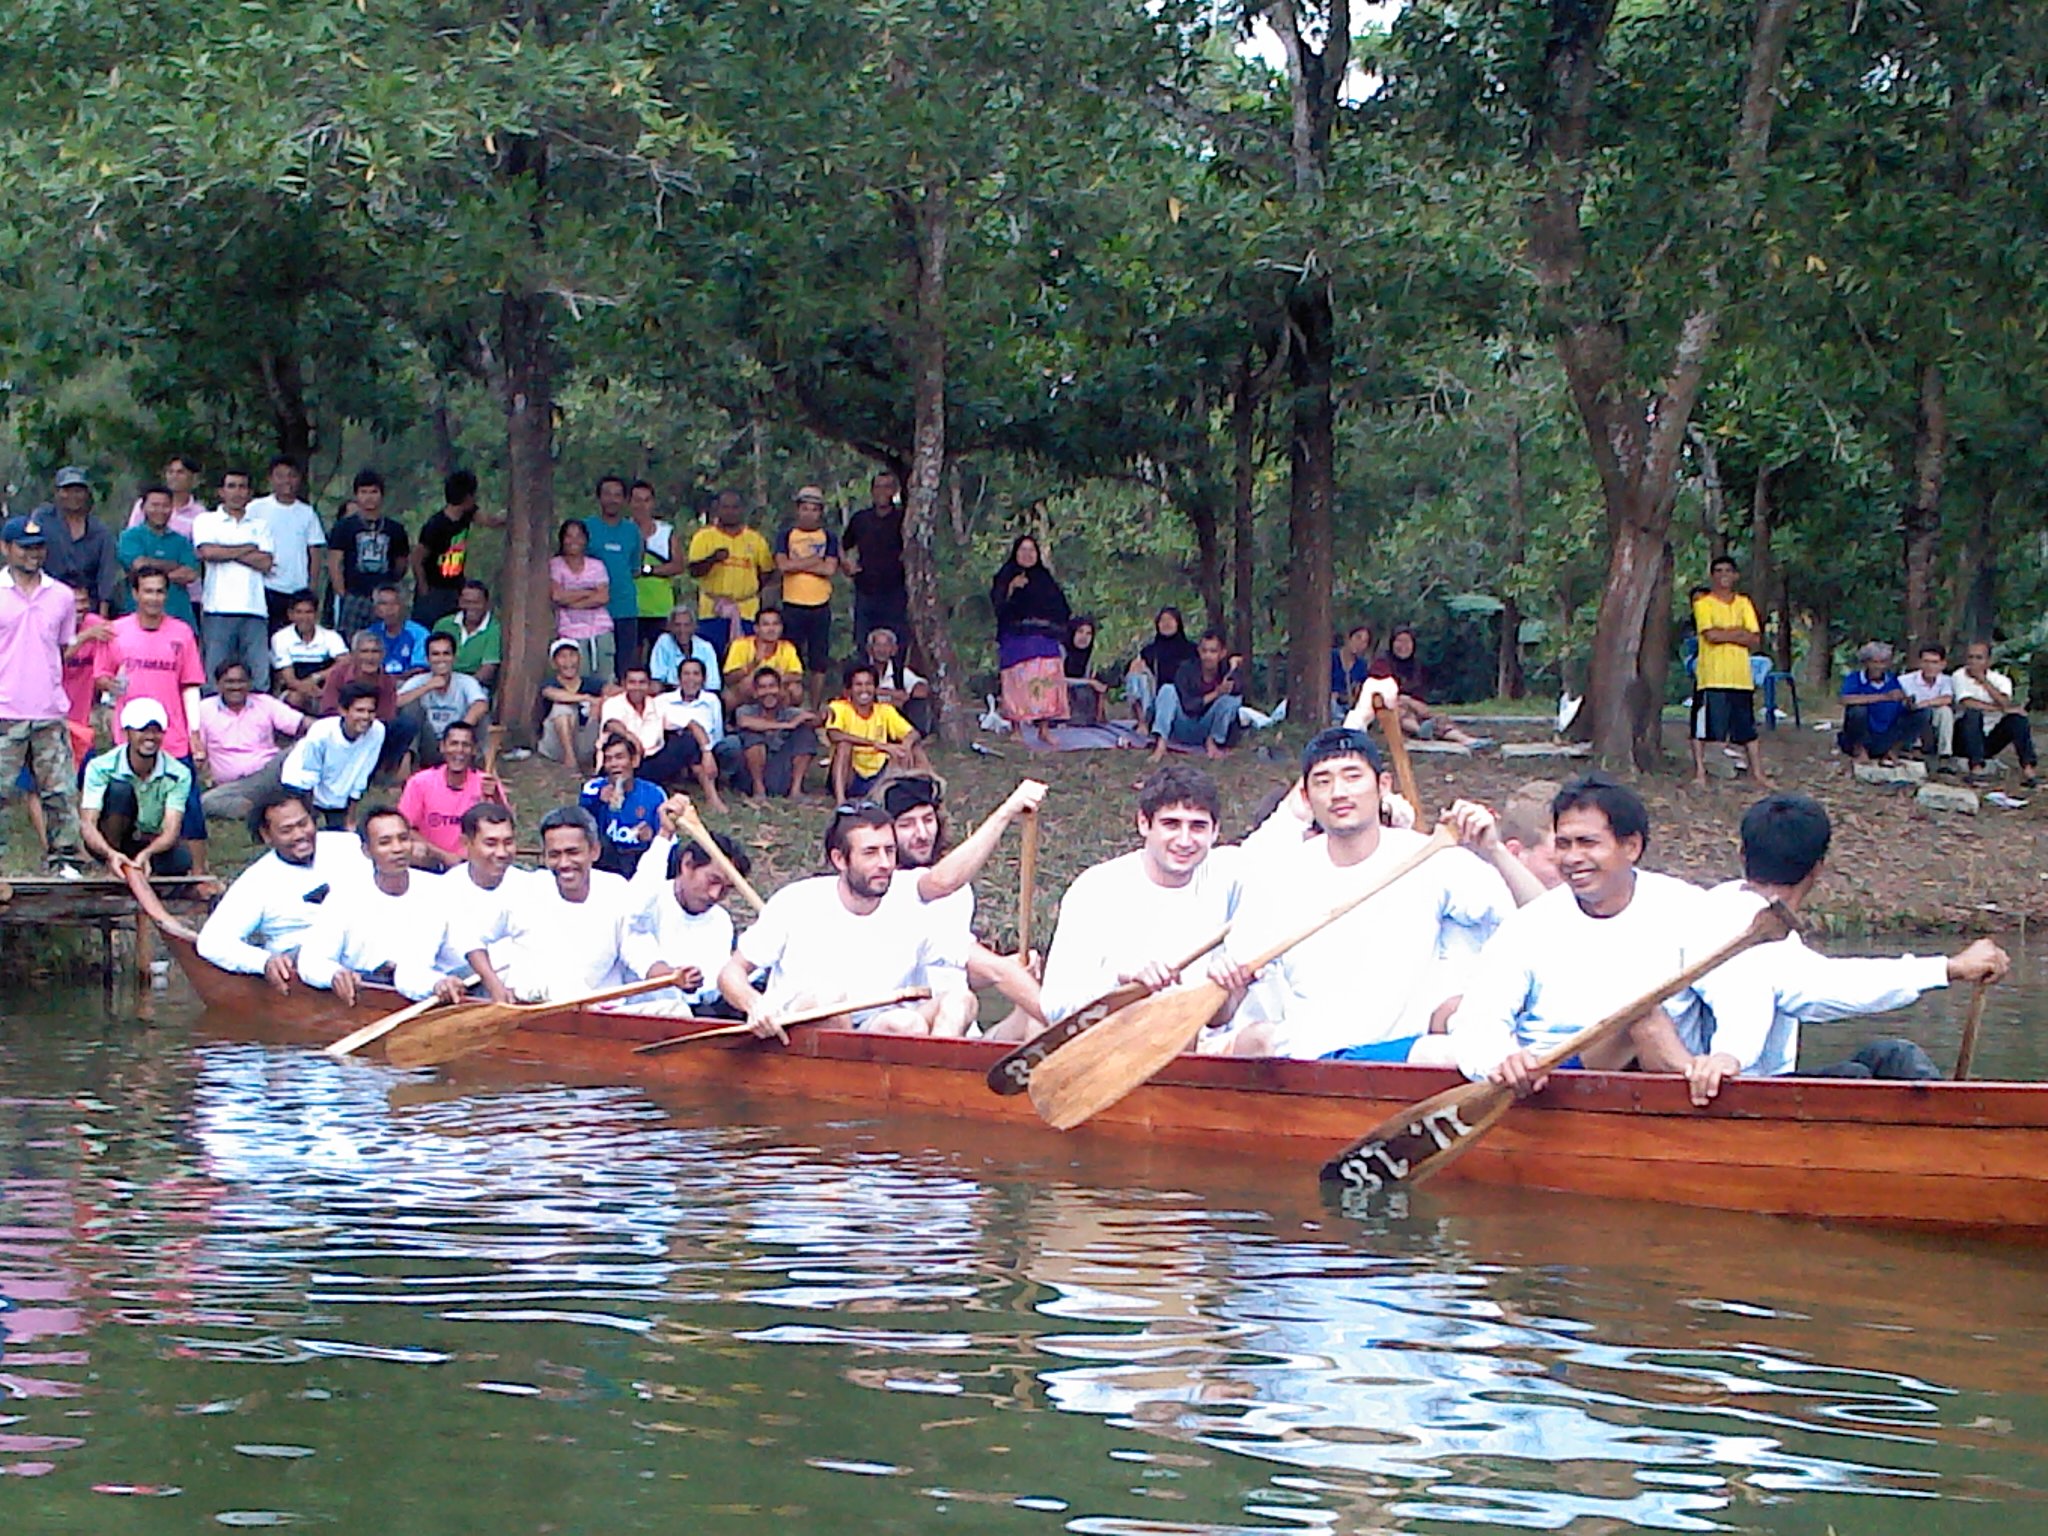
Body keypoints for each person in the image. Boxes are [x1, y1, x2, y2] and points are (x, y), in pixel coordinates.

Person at [1446, 773, 1774, 1102]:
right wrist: (1503, 1061)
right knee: (1641, 1018)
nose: (1572, 858)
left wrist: (1726, 1056)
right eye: (1563, 844)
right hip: (1548, 1094)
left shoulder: (1687, 909)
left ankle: (1700, 1094)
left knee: (1645, 1019)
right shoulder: (1528, 925)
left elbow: (1742, 995)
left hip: (1660, 1092)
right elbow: (1479, 1018)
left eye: (1588, 843)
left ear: (1631, 846)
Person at [1679, 794, 2010, 1096]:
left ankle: (1951, 1138)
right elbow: (1802, 990)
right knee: (1853, 1078)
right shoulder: (1742, 927)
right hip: (1734, 1094)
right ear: (1818, 869)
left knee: (1894, 1056)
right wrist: (1949, 968)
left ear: (1742, 854)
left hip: (1758, 1085)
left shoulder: (1736, 911)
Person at [1221, 729, 1515, 1062]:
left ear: (1384, 786)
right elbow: (1224, 1011)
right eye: (1323, 781)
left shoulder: (1432, 858)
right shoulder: (1277, 878)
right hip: (1312, 1061)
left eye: (1353, 777)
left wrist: (1495, 850)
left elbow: (1537, 923)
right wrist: (1227, 989)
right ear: (1305, 797)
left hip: (1405, 1060)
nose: (1339, 793)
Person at [718, 803, 975, 1038]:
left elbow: (958, 970)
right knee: (829, 996)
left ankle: (934, 1079)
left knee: (958, 1001)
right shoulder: (796, 901)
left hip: (873, 1030)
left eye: (890, 851)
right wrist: (755, 1005)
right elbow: (731, 973)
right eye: (871, 853)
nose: (885, 864)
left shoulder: (914, 906)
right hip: (800, 1033)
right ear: (840, 859)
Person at [1039, 764, 1243, 1027]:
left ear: (1215, 832)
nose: (1184, 840)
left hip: (1195, 1044)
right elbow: (1054, 1006)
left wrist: (1225, 989)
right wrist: (1121, 985)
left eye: (1197, 827)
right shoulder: (1097, 889)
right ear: (1144, 824)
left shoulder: (1232, 878)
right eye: (1171, 824)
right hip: (1114, 1041)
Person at [883, 775, 1048, 1039]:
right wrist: (1006, 811)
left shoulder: (960, 893)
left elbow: (957, 971)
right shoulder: (886, 890)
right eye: (906, 825)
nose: (922, 834)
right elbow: (941, 881)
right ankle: (1073, 1026)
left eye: (927, 820)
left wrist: (1016, 968)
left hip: (968, 1032)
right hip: (912, 1033)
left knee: (1030, 1016)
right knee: (1007, 991)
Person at [196, 787, 368, 990]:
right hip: (302, 961)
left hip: (365, 947)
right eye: (287, 830)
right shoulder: (257, 881)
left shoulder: (348, 846)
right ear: (267, 835)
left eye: (303, 824)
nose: (299, 835)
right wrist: (265, 962)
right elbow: (212, 941)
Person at [295, 806, 465, 1005]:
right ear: (367, 851)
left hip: (426, 992)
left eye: (403, 839)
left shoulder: (437, 890)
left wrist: (441, 983)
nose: (397, 848)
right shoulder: (345, 897)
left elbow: (450, 958)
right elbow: (311, 961)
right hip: (364, 995)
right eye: (385, 842)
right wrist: (335, 974)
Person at [465, 806, 634, 1004]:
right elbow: (472, 938)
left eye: (573, 852)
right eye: (554, 855)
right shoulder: (525, 890)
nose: (564, 863)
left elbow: (638, 950)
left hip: (601, 1014)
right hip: (528, 1011)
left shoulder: (616, 890)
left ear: (594, 851)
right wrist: (495, 986)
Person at [0, 513, 87, 875]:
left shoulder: (62, 596)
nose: (33, 554)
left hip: (49, 708)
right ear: (6, 549)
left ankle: (66, 860)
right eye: (24, 547)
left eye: (38, 548)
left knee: (60, 791)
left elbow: (63, 647)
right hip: (4, 708)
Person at [105, 570, 209, 872]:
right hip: (129, 735)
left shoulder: (182, 633)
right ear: (135, 594)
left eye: (160, 592)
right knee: (123, 804)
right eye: (147, 591)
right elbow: (103, 678)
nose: (154, 598)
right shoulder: (115, 631)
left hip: (172, 734)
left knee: (188, 804)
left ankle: (199, 874)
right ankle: (119, 867)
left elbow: (190, 684)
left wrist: (194, 731)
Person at [623, 823, 750, 1015]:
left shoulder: (721, 921)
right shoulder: (650, 903)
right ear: (687, 865)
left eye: (727, 888)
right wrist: (665, 835)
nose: (716, 894)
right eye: (712, 880)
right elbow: (633, 918)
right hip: (643, 1018)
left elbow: (710, 992)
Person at [422, 800, 536, 988]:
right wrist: (438, 984)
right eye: (490, 843)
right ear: (466, 843)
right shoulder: (442, 893)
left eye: (508, 842)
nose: (501, 852)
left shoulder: (528, 886)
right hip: (462, 991)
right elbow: (415, 966)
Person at [79, 698, 196, 876]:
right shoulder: (100, 767)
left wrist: (147, 854)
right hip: (111, 838)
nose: (150, 737)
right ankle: (111, 863)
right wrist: (111, 854)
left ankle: (142, 869)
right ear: (127, 733)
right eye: (142, 730)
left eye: (156, 731)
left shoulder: (178, 773)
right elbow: (88, 824)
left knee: (181, 859)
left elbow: (171, 829)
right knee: (120, 791)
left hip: (148, 840)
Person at [193, 467, 276, 690]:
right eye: (231, 486)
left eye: (242, 487)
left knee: (258, 675)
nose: (237, 492)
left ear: (249, 493)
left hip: (255, 609)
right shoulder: (206, 520)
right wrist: (248, 549)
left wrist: (226, 551)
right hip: (217, 608)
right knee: (214, 675)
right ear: (221, 491)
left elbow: (266, 563)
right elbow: (208, 553)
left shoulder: (260, 525)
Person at [1688, 556, 1768, 788]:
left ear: (1735, 575)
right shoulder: (1703, 604)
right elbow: (1710, 636)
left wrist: (1726, 633)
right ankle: (1700, 773)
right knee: (1703, 726)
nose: (1723, 575)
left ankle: (1758, 773)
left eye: (1728, 570)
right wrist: (1737, 633)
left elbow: (1754, 638)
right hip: (1712, 676)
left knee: (1746, 727)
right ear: (1712, 575)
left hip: (1740, 677)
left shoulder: (1744, 603)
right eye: (1718, 570)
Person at [193, 660, 307, 822]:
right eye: (230, 682)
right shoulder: (203, 710)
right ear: (218, 685)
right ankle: (266, 808)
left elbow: (300, 723)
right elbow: (196, 750)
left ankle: (270, 805)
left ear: (249, 683)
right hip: (234, 785)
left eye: (241, 681)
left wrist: (330, 728)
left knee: (302, 748)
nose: (236, 687)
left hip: (270, 773)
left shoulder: (265, 703)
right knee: (206, 802)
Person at [991, 535, 1071, 747]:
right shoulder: (1005, 576)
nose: (1027, 555)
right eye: (1023, 550)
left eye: (1031, 550)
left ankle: (1043, 729)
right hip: (1016, 637)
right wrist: (1011, 588)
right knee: (1017, 679)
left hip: (1043, 636)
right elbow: (998, 607)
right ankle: (1017, 727)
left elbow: (1062, 609)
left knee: (1045, 678)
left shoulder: (1045, 579)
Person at [397, 718, 504, 869]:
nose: (459, 750)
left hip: (472, 863)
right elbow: (403, 827)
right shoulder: (420, 782)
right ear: (442, 747)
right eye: (454, 743)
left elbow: (505, 827)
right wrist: (444, 856)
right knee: (415, 851)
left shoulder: (486, 783)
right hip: (432, 859)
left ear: (474, 750)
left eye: (465, 745)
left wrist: (496, 798)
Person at [281, 682, 386, 829]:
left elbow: (362, 774)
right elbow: (309, 774)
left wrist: (350, 819)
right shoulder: (321, 732)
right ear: (343, 710)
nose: (366, 717)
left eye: (370, 711)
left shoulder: (377, 731)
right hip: (300, 784)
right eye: (359, 710)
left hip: (336, 791)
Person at [774, 486, 840, 711]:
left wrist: (798, 565)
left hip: (819, 603)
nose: (809, 514)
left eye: (814, 510)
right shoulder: (786, 535)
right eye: (805, 509)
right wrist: (813, 562)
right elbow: (783, 565)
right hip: (792, 603)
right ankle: (792, 705)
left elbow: (830, 568)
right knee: (792, 656)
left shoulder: (829, 537)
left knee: (818, 660)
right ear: (797, 510)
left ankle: (813, 708)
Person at [687, 488, 775, 655]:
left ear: (742, 509)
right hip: (712, 611)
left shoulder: (755, 539)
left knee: (744, 660)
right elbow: (694, 570)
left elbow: (767, 572)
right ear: (717, 508)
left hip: (747, 612)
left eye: (735, 507)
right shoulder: (704, 536)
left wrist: (749, 590)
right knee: (712, 657)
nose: (730, 512)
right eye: (725, 507)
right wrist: (713, 559)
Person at [643, 657, 737, 810]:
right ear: (678, 678)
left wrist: (708, 752)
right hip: (679, 747)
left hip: (710, 752)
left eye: (696, 674)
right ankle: (711, 796)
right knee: (688, 738)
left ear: (703, 679)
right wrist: (703, 749)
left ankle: (720, 779)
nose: (691, 679)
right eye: (686, 674)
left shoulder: (712, 700)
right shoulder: (663, 701)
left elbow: (717, 732)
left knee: (732, 744)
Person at [316, 630, 414, 774]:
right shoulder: (339, 673)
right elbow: (328, 708)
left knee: (405, 725)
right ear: (354, 655)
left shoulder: (387, 680)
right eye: (364, 651)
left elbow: (387, 715)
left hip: (373, 727)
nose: (370, 657)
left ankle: (381, 768)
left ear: (382, 655)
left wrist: (366, 722)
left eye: (375, 652)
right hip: (342, 726)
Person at [325, 471, 410, 637]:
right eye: (363, 492)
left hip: (385, 598)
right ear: (356, 495)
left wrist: (391, 586)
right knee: (352, 643)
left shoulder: (394, 529)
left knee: (386, 641)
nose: (369, 497)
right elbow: (334, 563)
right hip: (355, 596)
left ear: (381, 495)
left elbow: (401, 563)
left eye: (373, 492)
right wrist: (343, 595)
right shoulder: (344, 527)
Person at [825, 662, 926, 801]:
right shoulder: (839, 707)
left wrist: (906, 744)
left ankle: (926, 788)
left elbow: (913, 732)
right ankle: (841, 802)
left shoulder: (885, 710)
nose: (864, 689)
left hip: (878, 773)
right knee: (844, 746)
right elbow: (834, 734)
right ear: (849, 690)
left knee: (913, 747)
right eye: (858, 685)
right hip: (850, 775)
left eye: (868, 684)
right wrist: (876, 745)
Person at [411, 470, 499, 629]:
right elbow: (417, 558)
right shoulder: (435, 526)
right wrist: (424, 589)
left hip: (455, 587)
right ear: (467, 498)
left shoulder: (467, 514)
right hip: (435, 588)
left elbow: (488, 521)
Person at [577, 475, 645, 681]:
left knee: (623, 667)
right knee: (591, 670)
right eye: (607, 494)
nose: (612, 499)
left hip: (625, 608)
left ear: (624, 500)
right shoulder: (585, 528)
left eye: (618, 495)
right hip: (592, 611)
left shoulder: (633, 531)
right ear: (598, 498)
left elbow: (635, 568)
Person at [1373, 625, 1486, 748]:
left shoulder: (1416, 666)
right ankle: (1420, 730)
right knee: (1401, 710)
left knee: (1437, 718)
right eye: (1399, 641)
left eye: (1407, 641)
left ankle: (1465, 739)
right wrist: (1407, 700)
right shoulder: (1382, 664)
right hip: (1389, 711)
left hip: (1415, 711)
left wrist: (1418, 705)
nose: (1403, 646)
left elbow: (1420, 695)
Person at [248, 457, 327, 631]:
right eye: (280, 476)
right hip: (264, 587)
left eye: (291, 476)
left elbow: (315, 552)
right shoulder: (255, 508)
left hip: (296, 588)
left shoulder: (307, 513)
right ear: (271, 479)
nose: (286, 481)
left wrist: (312, 587)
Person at [34, 466, 122, 616]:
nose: (72, 496)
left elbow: (106, 575)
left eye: (78, 490)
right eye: (66, 490)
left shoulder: (101, 531)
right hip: (46, 604)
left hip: (88, 607)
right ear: (57, 493)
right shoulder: (42, 521)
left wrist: (102, 617)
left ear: (87, 494)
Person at [841, 472, 910, 661]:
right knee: (863, 643)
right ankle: (864, 685)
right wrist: (846, 564)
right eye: (878, 487)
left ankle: (895, 684)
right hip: (866, 591)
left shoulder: (904, 519)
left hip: (895, 591)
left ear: (894, 491)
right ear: (872, 491)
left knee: (897, 644)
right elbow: (842, 545)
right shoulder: (860, 519)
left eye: (887, 487)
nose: (882, 492)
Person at [1146, 629, 1244, 761]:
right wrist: (1216, 693)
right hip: (1182, 725)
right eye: (1204, 651)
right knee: (1167, 690)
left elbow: (1237, 690)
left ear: (1222, 653)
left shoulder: (1225, 670)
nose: (1208, 656)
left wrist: (1234, 668)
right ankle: (1161, 744)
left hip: (1207, 728)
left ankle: (1213, 742)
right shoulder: (1186, 669)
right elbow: (1188, 705)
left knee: (1231, 700)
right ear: (1199, 651)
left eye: (1213, 651)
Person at [394, 632, 488, 769]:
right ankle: (407, 765)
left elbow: (481, 705)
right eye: (436, 654)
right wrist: (428, 686)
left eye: (446, 653)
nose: (441, 659)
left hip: (457, 744)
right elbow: (396, 702)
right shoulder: (418, 681)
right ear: (427, 659)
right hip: (429, 744)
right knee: (410, 707)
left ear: (454, 658)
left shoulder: (466, 681)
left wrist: (459, 730)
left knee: (482, 716)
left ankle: (481, 768)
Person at [579, 733, 666, 877]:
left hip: (639, 858)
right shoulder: (593, 789)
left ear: (634, 761)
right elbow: (580, 826)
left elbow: (667, 836)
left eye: (619, 757)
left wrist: (651, 836)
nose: (614, 764)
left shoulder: (654, 794)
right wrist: (597, 802)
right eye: (608, 759)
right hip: (605, 860)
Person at [1952, 640, 2037, 787]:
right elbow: (1967, 702)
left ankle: (2028, 769)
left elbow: (2005, 702)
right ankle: (1976, 769)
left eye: (1979, 658)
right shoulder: (1959, 676)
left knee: (2018, 719)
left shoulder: (2001, 680)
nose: (1973, 662)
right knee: (1973, 714)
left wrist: (1984, 682)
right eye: (1970, 657)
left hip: (1989, 737)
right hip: (1965, 736)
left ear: (1988, 661)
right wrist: (2000, 709)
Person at [116, 483, 200, 628]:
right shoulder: (130, 537)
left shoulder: (181, 541)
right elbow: (139, 565)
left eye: (165, 505)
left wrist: (151, 567)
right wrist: (175, 566)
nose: (160, 510)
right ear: (143, 508)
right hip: (138, 619)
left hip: (179, 616)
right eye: (154, 505)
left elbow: (190, 574)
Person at [732, 667, 821, 799]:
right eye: (762, 687)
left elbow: (815, 720)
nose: (768, 692)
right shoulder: (745, 710)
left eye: (772, 686)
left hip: (781, 770)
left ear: (780, 690)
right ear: (755, 693)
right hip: (752, 776)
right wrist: (788, 725)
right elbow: (744, 722)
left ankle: (795, 791)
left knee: (806, 734)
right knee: (751, 736)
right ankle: (759, 790)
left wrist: (820, 716)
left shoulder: (789, 712)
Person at [550, 518, 614, 680]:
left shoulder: (597, 565)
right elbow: (557, 596)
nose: (574, 541)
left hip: (600, 629)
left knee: (605, 678)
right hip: (570, 631)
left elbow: (603, 597)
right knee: (577, 677)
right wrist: (588, 591)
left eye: (578, 536)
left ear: (585, 540)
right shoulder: (555, 565)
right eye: (569, 536)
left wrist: (570, 598)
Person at [628, 479, 683, 667]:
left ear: (653, 503)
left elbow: (678, 565)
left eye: (646, 500)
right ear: (629, 503)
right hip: (629, 607)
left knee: (660, 659)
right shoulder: (622, 531)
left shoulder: (666, 532)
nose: (641, 505)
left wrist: (648, 570)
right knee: (631, 661)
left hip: (660, 608)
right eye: (636, 500)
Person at [61, 586, 116, 769]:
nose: (80, 607)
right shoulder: (50, 622)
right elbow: (56, 659)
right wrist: (84, 637)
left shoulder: (95, 623)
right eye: (74, 602)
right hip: (55, 718)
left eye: (84, 601)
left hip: (85, 718)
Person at [1838, 641, 1919, 764]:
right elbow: (1845, 699)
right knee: (1857, 711)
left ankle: (1893, 751)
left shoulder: (1892, 679)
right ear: (1866, 663)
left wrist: (1906, 700)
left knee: (1921, 713)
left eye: (1883, 662)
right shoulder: (1854, 678)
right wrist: (1883, 697)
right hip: (1864, 731)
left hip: (1888, 732)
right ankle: (1860, 750)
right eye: (1874, 662)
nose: (1878, 667)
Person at [269, 590, 348, 712]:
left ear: (316, 614)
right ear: (290, 614)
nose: (304, 617)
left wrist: (317, 677)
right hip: (294, 691)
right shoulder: (280, 638)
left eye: (309, 612)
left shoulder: (331, 636)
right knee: (296, 699)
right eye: (299, 612)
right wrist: (310, 689)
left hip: (327, 689)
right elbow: (289, 680)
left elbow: (345, 663)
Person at [535, 637, 606, 768]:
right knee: (562, 709)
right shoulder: (550, 683)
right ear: (554, 663)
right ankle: (570, 758)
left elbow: (611, 690)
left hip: (584, 743)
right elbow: (551, 693)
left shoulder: (592, 682)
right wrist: (587, 698)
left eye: (572, 655)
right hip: (555, 748)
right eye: (562, 657)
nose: (568, 661)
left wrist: (601, 701)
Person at [430, 579, 502, 693]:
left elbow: (488, 669)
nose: (471, 607)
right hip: (440, 679)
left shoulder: (493, 629)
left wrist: (461, 688)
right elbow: (431, 658)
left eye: (476, 602)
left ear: (487, 604)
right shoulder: (443, 624)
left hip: (474, 684)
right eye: (467, 602)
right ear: (460, 602)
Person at [722, 606, 801, 707]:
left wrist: (775, 680)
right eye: (766, 624)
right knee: (739, 688)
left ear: (781, 627)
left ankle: (783, 717)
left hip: (777, 689)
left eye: (775, 624)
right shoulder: (740, 645)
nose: (771, 629)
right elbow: (729, 678)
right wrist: (753, 665)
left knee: (795, 689)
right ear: (756, 628)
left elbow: (797, 675)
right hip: (749, 690)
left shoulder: (787, 647)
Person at [864, 626, 931, 737]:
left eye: (886, 645)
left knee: (917, 704)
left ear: (893, 650)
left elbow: (922, 689)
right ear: (870, 649)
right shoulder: (862, 671)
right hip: (870, 719)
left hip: (896, 720)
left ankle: (916, 735)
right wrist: (890, 695)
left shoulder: (901, 672)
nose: (882, 650)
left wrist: (906, 698)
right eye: (878, 645)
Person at [1899, 642, 1956, 762]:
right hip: (1913, 719)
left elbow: (1947, 698)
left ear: (1942, 664)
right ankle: (1914, 747)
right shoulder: (1905, 680)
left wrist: (1923, 704)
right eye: (1926, 661)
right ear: (1920, 662)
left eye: (1934, 662)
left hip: (1933, 721)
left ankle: (1945, 754)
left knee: (1945, 711)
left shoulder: (1946, 680)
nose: (1930, 666)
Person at [597, 663, 666, 763]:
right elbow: (613, 725)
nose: (637, 687)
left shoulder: (658, 704)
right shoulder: (612, 703)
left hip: (652, 760)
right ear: (624, 684)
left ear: (649, 685)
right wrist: (634, 742)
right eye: (632, 682)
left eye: (642, 682)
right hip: (620, 763)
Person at [649, 605, 721, 692]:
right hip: (670, 694)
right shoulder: (664, 642)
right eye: (677, 625)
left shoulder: (706, 647)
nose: (682, 630)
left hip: (701, 695)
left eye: (686, 625)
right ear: (670, 627)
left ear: (694, 627)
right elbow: (657, 678)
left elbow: (713, 684)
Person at [368, 585, 430, 681]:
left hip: (409, 685)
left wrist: (392, 681)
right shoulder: (370, 633)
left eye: (395, 603)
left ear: (404, 606)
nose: (389, 608)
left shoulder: (420, 634)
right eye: (383, 604)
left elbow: (419, 670)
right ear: (376, 609)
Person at [1064, 617, 1109, 726]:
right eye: (1080, 632)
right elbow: (1056, 679)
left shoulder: (1091, 654)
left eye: (1088, 633)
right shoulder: (1061, 650)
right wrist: (1088, 682)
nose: (1084, 637)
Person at [1330, 623, 1374, 716]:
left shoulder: (1361, 665)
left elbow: (1357, 690)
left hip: (1347, 706)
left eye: (1365, 641)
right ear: (1349, 638)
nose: (1360, 644)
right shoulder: (1332, 656)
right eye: (1358, 638)